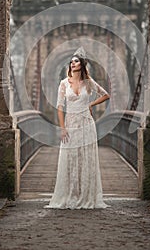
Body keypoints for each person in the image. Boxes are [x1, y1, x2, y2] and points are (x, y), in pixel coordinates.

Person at [46, 47, 110, 209]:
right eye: (71, 61)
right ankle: (70, 194)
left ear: (81, 64)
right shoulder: (63, 83)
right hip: (70, 124)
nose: (72, 63)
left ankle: (85, 195)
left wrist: (91, 103)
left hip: (86, 124)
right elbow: (60, 107)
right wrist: (62, 128)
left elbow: (106, 95)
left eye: (75, 61)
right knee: (70, 158)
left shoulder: (89, 83)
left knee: (85, 158)